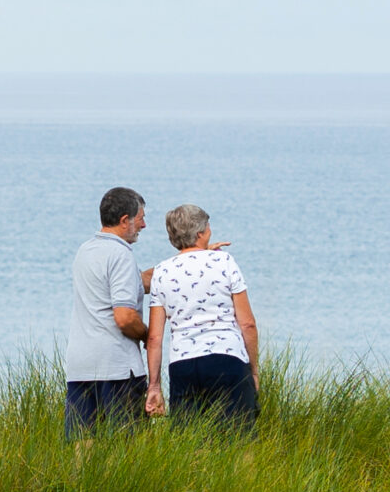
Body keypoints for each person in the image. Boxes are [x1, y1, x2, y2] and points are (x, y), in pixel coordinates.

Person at [146, 204, 258, 429]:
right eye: (208, 228)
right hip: (227, 359)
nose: (210, 231)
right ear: (199, 234)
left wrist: (155, 386)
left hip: (182, 365)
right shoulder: (224, 261)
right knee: (239, 441)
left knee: (191, 446)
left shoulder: (161, 272)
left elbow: (154, 339)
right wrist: (253, 370)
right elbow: (247, 324)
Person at [64, 186, 150, 436]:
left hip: (81, 365)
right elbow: (124, 317)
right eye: (141, 218)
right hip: (116, 367)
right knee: (126, 447)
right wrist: (147, 335)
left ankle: (80, 479)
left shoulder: (86, 251)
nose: (143, 226)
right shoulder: (121, 255)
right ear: (125, 221)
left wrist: (191, 259)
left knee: (83, 443)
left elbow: (139, 281)